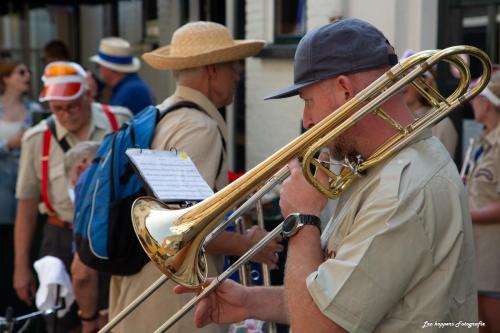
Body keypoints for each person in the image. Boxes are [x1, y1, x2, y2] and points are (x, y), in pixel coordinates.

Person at [176, 18, 477, 332]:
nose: (307, 121)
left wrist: (303, 219)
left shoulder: (402, 189)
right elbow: (335, 300)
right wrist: (249, 302)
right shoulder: (379, 167)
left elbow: (315, 326)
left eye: (307, 101)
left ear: (345, 90)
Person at [107, 21, 283, 333]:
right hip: (170, 296)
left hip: (144, 282)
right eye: (232, 66)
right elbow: (185, 229)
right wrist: (249, 244)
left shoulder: (163, 113)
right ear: (212, 70)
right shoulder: (198, 127)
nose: (238, 75)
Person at [13, 61, 132, 333]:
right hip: (60, 237)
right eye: (57, 109)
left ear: (89, 95)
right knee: (60, 321)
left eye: (73, 106)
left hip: (110, 235)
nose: (65, 115)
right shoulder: (37, 139)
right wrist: (21, 268)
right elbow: (27, 206)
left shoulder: (120, 121)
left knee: (113, 319)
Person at [0, 58, 42, 316]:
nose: (27, 75)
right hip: (1, 195)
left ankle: (23, 310)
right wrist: (9, 145)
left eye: (27, 71)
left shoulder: (34, 109)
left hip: (26, 192)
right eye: (21, 72)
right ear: (6, 78)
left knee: (26, 248)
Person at [64, 141, 110, 333]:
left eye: (72, 182)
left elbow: (82, 273)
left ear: (81, 165)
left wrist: (88, 318)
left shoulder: (87, 182)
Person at [468, 71, 500, 333]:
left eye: (476, 98)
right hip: (478, 251)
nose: (471, 103)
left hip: (493, 256)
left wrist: (467, 215)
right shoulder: (486, 140)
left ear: (487, 103)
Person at [401, 49, 458, 158]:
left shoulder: (441, 124)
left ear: (425, 83)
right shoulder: (396, 120)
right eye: (399, 78)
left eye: (407, 78)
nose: (400, 84)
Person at [90, 37, 155, 114]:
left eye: (99, 65)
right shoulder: (131, 87)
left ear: (110, 68)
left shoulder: (131, 91)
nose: (99, 70)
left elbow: (110, 124)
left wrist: (89, 96)